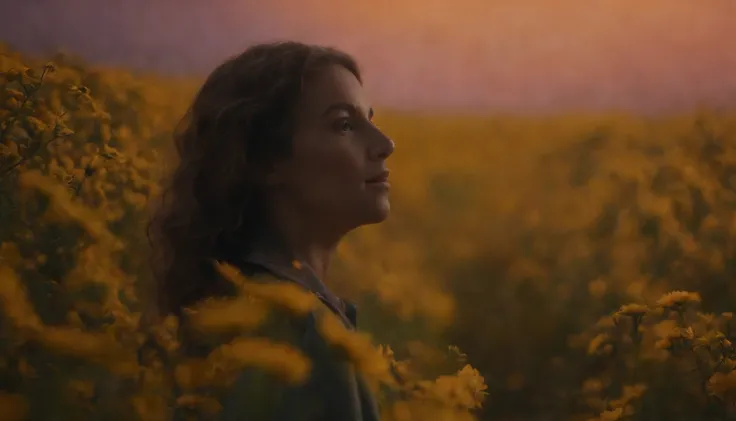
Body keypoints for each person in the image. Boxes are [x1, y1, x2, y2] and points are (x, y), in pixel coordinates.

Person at [147, 41, 395, 421]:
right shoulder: (301, 334)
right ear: (266, 161)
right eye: (344, 125)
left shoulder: (239, 303)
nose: (385, 144)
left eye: (370, 120)